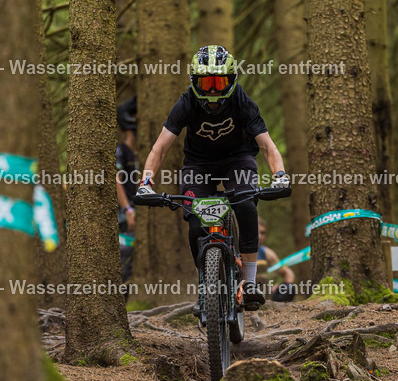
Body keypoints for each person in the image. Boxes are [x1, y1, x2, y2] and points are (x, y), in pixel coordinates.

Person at [138, 45, 289, 310]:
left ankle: (250, 282)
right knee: (196, 222)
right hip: (198, 165)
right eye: (206, 82)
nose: (212, 90)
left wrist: (280, 176)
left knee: (245, 205)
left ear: (230, 80)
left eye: (218, 82)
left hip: (237, 159)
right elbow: (159, 148)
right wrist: (146, 182)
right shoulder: (186, 102)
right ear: (194, 82)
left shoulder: (241, 100)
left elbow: (267, 146)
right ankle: (205, 290)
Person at [116, 96, 138, 281]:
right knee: (124, 258)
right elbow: (117, 181)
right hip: (125, 216)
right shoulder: (121, 151)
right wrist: (128, 210)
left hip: (139, 210)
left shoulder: (143, 152)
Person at [256, 218, 296, 302]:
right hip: (241, 291)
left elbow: (288, 273)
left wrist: (282, 286)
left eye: (262, 233)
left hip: (264, 294)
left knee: (289, 289)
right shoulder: (237, 249)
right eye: (256, 232)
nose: (259, 236)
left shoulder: (267, 253)